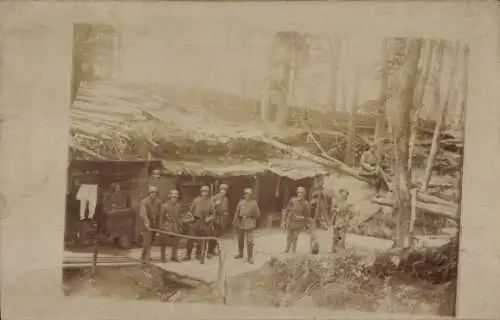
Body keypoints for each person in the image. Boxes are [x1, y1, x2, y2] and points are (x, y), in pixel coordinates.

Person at [232, 188, 260, 264]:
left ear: (250, 195)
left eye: (248, 194)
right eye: (245, 194)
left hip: (250, 223)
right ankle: (240, 254)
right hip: (241, 223)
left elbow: (257, 214)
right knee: (240, 239)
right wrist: (235, 222)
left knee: (250, 241)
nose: (246, 195)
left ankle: (250, 257)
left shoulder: (254, 203)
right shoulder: (241, 202)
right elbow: (236, 212)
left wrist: (251, 217)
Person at [184, 186, 212, 261]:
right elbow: (190, 211)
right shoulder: (196, 200)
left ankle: (198, 254)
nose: (204, 193)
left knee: (201, 239)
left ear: (208, 193)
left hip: (204, 222)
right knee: (190, 238)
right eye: (203, 191)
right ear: (201, 192)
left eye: (206, 192)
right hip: (195, 221)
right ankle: (188, 254)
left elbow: (213, 214)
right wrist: (190, 216)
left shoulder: (210, 202)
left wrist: (209, 218)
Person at [139, 186, 165, 265]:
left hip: (155, 225)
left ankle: (146, 256)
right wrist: (147, 223)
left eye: (155, 193)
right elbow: (143, 214)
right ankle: (145, 258)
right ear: (149, 193)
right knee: (147, 241)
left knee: (151, 241)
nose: (154, 194)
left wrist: (160, 226)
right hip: (147, 224)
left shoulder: (158, 202)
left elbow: (160, 214)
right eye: (152, 193)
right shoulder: (144, 201)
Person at [282, 186, 311, 254]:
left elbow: (307, 216)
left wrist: (302, 220)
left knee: (295, 237)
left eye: (301, 193)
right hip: (291, 222)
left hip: (299, 224)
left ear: (304, 194)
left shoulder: (306, 204)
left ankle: (293, 251)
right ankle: (287, 250)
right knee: (289, 237)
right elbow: (287, 210)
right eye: (298, 192)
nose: (299, 194)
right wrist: (284, 221)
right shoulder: (292, 200)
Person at [161, 189, 183, 262]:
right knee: (164, 242)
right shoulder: (164, 206)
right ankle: (163, 257)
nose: (175, 197)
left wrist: (180, 226)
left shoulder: (178, 206)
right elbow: (161, 218)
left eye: (176, 196)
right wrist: (161, 228)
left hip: (175, 226)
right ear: (169, 196)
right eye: (173, 196)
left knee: (175, 243)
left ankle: (174, 256)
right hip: (167, 226)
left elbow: (180, 216)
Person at [207, 183, 229, 257]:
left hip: (221, 219)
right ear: (220, 190)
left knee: (218, 235)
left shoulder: (226, 199)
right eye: (222, 190)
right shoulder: (215, 197)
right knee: (213, 234)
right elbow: (209, 206)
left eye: (225, 190)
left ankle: (212, 249)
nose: (223, 191)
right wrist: (215, 204)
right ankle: (209, 250)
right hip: (215, 218)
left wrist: (226, 213)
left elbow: (226, 208)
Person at [331, 188, 352, 253]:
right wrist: (336, 209)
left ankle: (341, 247)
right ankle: (334, 248)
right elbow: (332, 208)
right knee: (336, 234)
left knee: (343, 234)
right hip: (337, 218)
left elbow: (351, 212)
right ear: (340, 193)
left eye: (345, 193)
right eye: (342, 192)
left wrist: (348, 216)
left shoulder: (348, 203)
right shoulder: (336, 201)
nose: (344, 194)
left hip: (344, 219)